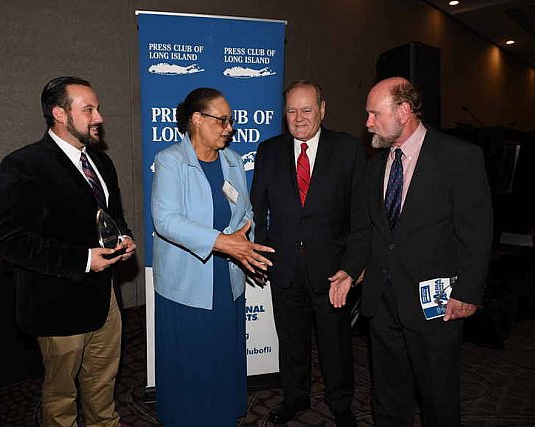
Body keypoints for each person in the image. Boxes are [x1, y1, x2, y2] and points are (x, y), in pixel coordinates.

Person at [0, 76, 136, 427]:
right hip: (57, 304)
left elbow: (112, 218)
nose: (99, 116)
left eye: (97, 108)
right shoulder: (24, 164)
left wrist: (125, 238)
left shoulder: (102, 163)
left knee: (103, 385)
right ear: (59, 113)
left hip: (106, 300)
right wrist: (83, 259)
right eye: (88, 109)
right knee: (61, 397)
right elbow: (9, 240)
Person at [362, 77, 493, 426]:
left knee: (438, 395)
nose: (368, 122)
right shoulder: (376, 165)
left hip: (437, 305)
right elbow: (378, 234)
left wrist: (468, 291)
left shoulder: (459, 156)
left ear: (403, 112)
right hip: (383, 301)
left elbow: (477, 232)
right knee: (388, 394)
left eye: (375, 114)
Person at [151, 87, 275, 427]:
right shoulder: (170, 161)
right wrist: (223, 242)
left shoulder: (233, 161)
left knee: (221, 355)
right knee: (191, 357)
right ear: (196, 119)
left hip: (227, 278)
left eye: (230, 121)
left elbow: (246, 209)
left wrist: (243, 234)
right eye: (222, 120)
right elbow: (166, 220)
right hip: (186, 282)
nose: (229, 128)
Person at [250, 81, 368, 426]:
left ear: (322, 109)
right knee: (291, 341)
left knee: (335, 343)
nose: (298, 118)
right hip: (284, 267)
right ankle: (295, 398)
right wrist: (264, 253)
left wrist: (351, 266)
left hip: (332, 272)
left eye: (306, 110)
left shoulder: (348, 149)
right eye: (291, 111)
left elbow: (362, 217)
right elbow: (257, 209)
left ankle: (341, 404)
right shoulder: (268, 150)